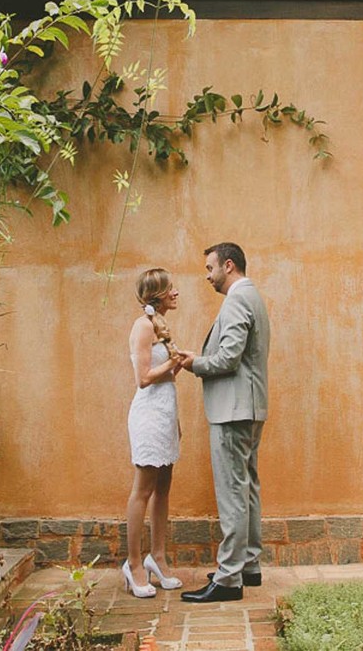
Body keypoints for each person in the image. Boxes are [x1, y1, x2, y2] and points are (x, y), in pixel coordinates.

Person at [178, 243, 270, 604]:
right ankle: (248, 565)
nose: (207, 275)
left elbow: (229, 359)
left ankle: (229, 579)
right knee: (247, 488)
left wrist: (194, 363)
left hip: (233, 410)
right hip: (250, 407)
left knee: (233, 492)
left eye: (210, 268)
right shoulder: (254, 296)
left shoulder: (236, 299)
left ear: (228, 266)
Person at [122, 268, 187, 598]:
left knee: (163, 490)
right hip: (148, 416)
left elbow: (167, 383)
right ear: (157, 295)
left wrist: (175, 421)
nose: (176, 292)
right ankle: (133, 564)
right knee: (142, 490)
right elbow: (144, 378)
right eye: (170, 288)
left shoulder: (159, 325)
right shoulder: (143, 326)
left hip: (164, 416)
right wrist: (175, 362)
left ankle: (157, 557)